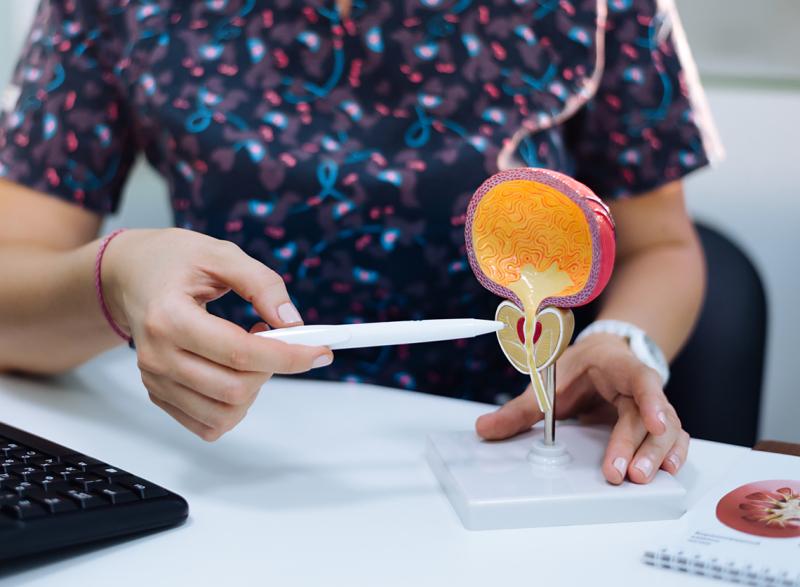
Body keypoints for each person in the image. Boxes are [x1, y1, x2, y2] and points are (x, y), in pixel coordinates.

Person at [0, 0, 721, 485]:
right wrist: (119, 276)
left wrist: (628, 336)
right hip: (229, 462)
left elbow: (661, 244)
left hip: (507, 463)